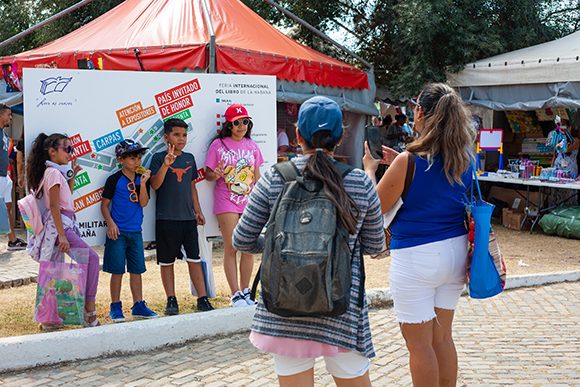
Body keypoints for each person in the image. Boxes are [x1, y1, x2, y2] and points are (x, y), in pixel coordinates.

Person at [233, 96, 385, 386]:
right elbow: (376, 245)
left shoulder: (273, 178)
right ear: (339, 139)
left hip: (284, 305)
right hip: (340, 307)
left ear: (297, 135)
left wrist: (279, 248)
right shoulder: (359, 182)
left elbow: (242, 239)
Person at [363, 83, 476, 387]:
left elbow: (375, 209)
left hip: (415, 256)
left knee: (420, 345)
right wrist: (398, 160)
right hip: (454, 251)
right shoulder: (466, 156)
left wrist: (372, 170)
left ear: (421, 112)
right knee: (442, 339)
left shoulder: (408, 161)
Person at [27, 133, 101, 328]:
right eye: (66, 149)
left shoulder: (54, 173)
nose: (70, 153)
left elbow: (62, 199)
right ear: (52, 152)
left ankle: (50, 317)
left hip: (63, 225)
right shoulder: (52, 173)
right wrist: (61, 235)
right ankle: (89, 310)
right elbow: (54, 207)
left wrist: (72, 177)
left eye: (71, 149)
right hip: (62, 226)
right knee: (91, 259)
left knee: (54, 269)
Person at [149, 118, 214, 314]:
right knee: (167, 261)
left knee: (194, 258)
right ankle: (171, 299)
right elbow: (155, 185)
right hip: (166, 218)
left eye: (184, 135)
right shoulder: (158, 158)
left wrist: (198, 210)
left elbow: (192, 186)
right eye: (176, 135)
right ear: (166, 137)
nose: (181, 139)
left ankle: (202, 298)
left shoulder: (189, 158)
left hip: (187, 218)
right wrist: (166, 165)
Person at [205, 104, 264, 307]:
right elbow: (208, 175)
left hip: (249, 202)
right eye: (236, 122)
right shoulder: (218, 145)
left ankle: (247, 290)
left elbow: (257, 176)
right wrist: (217, 173)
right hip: (226, 200)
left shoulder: (252, 146)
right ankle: (235, 293)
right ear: (229, 125)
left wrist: (262, 199)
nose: (241, 126)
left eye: (245, 122)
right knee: (231, 247)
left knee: (248, 247)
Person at [101, 139, 158, 322]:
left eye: (139, 158)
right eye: (132, 158)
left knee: (137, 270)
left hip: (135, 231)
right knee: (117, 270)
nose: (137, 162)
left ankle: (138, 304)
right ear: (121, 160)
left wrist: (143, 183)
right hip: (117, 232)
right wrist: (110, 223)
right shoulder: (114, 179)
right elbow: (104, 205)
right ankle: (115, 305)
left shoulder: (143, 180)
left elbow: (143, 203)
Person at [0, 104, 26, 250]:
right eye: (8, 114)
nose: (10, 117)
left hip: (5, 176)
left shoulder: (4, 134)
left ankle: (12, 241)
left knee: (7, 208)